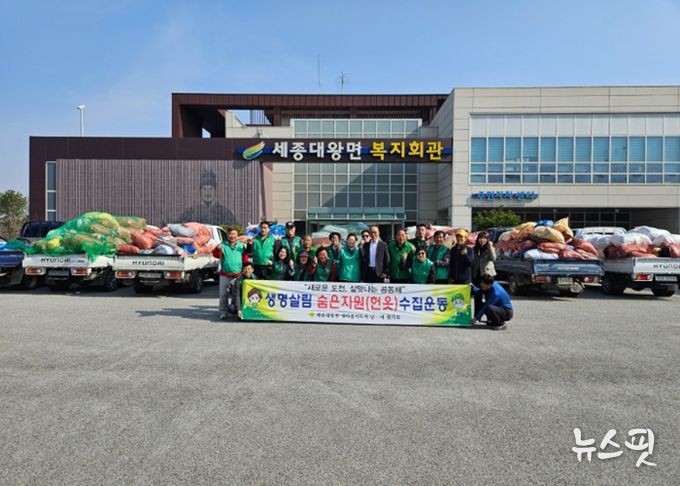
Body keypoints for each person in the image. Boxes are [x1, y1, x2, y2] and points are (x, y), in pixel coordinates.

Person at [212, 227, 246, 320]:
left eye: (234, 234)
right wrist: (217, 249)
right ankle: (223, 312)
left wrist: (244, 270)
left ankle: (237, 311)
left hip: (238, 275)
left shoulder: (241, 246)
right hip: (225, 274)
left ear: (237, 235)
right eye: (230, 234)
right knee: (223, 294)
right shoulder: (223, 245)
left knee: (237, 294)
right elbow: (215, 254)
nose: (232, 236)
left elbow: (245, 258)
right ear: (227, 235)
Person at [472, 230, 497, 312]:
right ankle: (476, 315)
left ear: (487, 240)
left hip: (487, 276)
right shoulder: (474, 249)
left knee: (489, 297)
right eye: (480, 238)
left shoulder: (490, 248)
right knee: (477, 298)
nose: (482, 240)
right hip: (477, 276)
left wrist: (490, 247)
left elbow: (493, 259)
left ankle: (490, 316)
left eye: (484, 238)